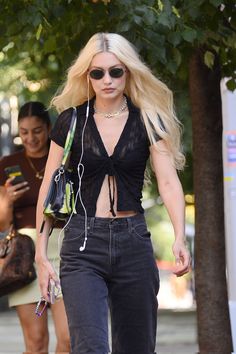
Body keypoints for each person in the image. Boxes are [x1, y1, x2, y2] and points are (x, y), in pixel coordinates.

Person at [35, 33, 191, 354]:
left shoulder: (147, 119)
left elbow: (169, 182)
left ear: (128, 72)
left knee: (137, 347)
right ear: (87, 76)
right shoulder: (72, 121)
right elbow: (49, 186)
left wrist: (179, 236)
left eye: (116, 71)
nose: (107, 79)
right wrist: (40, 252)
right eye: (98, 73)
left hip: (133, 242)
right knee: (89, 347)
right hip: (82, 243)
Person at [0, 101, 70, 354]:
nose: (30, 138)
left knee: (69, 339)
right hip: (26, 259)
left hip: (65, 253)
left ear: (49, 128)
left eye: (37, 130)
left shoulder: (65, 159)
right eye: (24, 131)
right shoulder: (8, 164)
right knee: (36, 342)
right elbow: (2, 223)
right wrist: (7, 200)